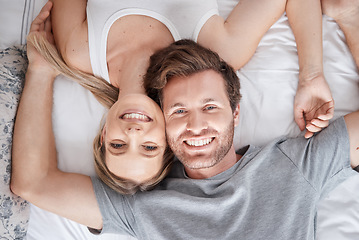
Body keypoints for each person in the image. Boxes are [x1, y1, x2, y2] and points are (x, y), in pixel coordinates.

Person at [11, 22, 359, 240]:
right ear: (161, 122)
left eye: (210, 107)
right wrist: (41, 70)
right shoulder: (144, 204)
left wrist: (320, 63)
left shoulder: (294, 167)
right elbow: (32, 183)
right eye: (178, 110)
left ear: (236, 113)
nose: (195, 126)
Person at [29, 0, 334, 193]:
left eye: (118, 145)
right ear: (166, 133)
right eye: (149, 147)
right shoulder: (213, 56)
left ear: (105, 132)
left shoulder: (77, 52)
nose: (133, 133)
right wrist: (311, 76)